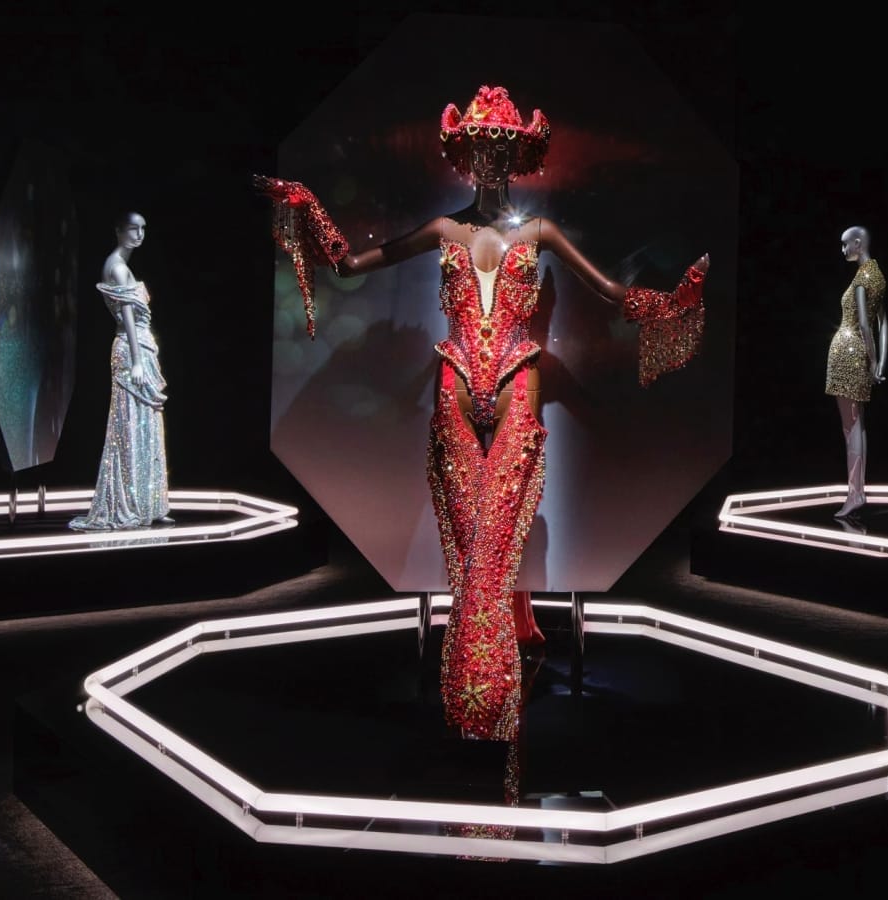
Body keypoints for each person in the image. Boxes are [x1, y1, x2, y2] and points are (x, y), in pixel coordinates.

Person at [255, 84, 708, 742]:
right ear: (465, 157)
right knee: (471, 548)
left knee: (492, 548)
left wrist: (674, 301)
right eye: (478, 148)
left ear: (518, 157)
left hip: (521, 379)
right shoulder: (443, 229)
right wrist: (306, 204)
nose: (490, 160)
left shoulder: (540, 231)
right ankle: (482, 694)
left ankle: (481, 698)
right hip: (455, 384)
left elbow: (610, 289)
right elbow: (351, 265)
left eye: (501, 149)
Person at [69, 212, 171, 531]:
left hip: (138, 346)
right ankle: (130, 504)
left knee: (143, 422)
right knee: (129, 425)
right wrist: (138, 360)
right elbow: (126, 316)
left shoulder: (121, 266)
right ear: (118, 231)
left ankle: (147, 502)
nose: (139, 234)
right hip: (131, 349)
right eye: (132, 228)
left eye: (143, 229)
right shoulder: (117, 267)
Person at [824, 225, 887, 519]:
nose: (843, 250)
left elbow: (864, 324)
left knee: (850, 427)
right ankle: (857, 491)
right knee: (858, 424)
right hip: (859, 354)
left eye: (845, 244)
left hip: (848, 353)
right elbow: (883, 322)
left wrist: (873, 361)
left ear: (858, 243)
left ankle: (855, 494)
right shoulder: (878, 276)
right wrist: (880, 361)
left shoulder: (862, 278)